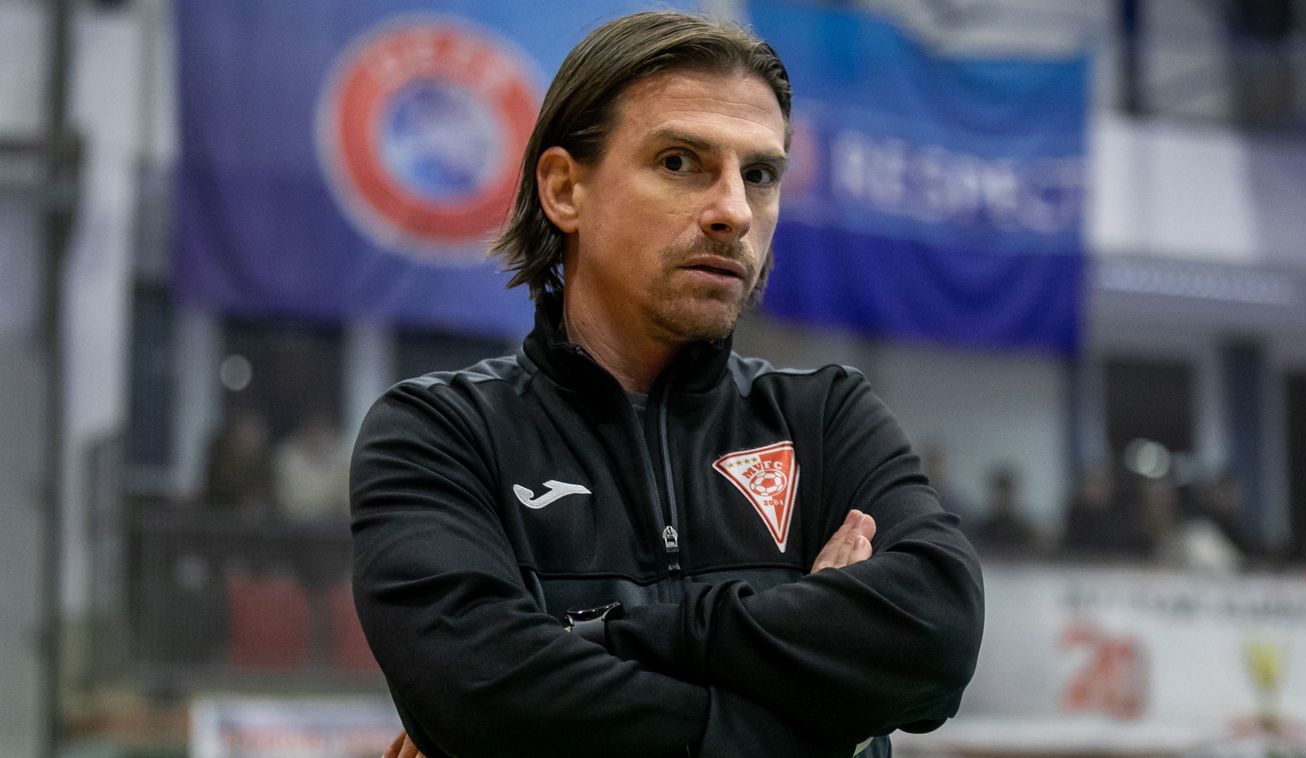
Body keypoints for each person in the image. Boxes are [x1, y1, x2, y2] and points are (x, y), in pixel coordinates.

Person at [351, 12, 984, 758]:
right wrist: (807, 716)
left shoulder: (825, 419)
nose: (734, 212)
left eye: (760, 175)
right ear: (564, 189)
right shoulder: (439, 433)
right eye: (680, 162)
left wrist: (597, 639)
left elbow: (936, 632)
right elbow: (480, 691)